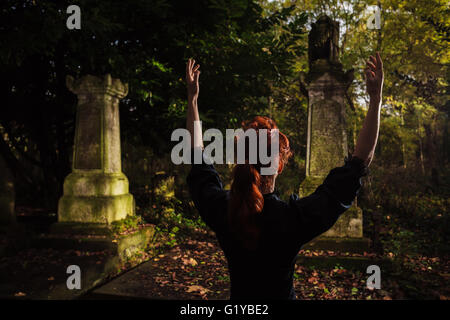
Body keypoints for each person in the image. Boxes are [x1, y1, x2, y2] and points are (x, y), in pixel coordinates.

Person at [185, 53, 384, 299]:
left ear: (239, 160)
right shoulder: (293, 219)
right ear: (279, 167)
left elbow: (197, 158)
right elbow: (359, 163)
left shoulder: (223, 210)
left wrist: (192, 100)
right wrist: (375, 100)